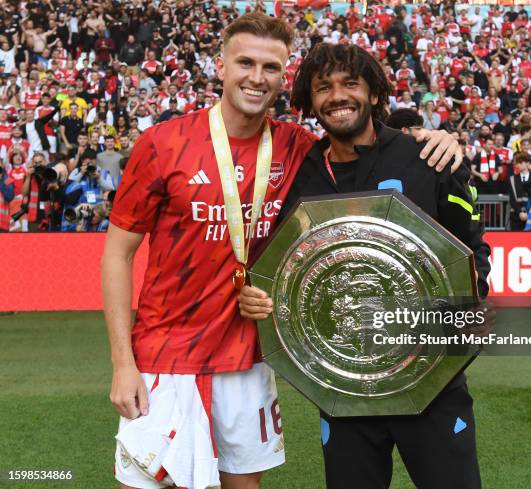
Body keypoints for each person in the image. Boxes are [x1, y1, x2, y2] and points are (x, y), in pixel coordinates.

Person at [103, 13, 462, 489]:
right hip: (165, 353)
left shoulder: (298, 149)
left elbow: (363, 142)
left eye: (271, 67)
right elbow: (117, 254)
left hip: (248, 354)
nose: (257, 77)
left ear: (283, 75)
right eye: (245, 62)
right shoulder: (163, 144)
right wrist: (122, 364)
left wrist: (432, 137)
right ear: (220, 66)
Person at [238, 42, 491, 489]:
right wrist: (258, 297)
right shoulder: (300, 175)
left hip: (430, 383)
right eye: (323, 88)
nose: (337, 96)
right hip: (343, 391)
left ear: (374, 93)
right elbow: (279, 270)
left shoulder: (426, 157)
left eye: (350, 84)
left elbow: (471, 249)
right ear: (310, 102)